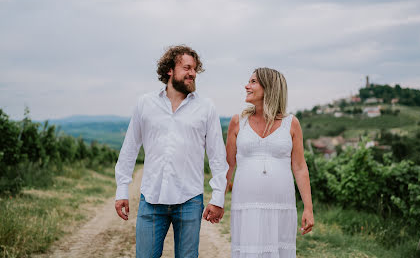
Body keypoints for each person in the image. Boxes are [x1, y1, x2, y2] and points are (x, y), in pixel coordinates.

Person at [114, 45, 228, 258]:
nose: (192, 73)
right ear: (169, 70)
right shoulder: (145, 104)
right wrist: (122, 190)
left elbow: (217, 157)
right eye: (187, 68)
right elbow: (129, 149)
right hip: (151, 199)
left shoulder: (206, 108)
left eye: (195, 69)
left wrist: (218, 197)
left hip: (190, 200)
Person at [226, 67, 314, 258]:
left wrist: (308, 207)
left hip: (282, 206)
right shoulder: (237, 122)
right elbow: (228, 166)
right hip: (246, 206)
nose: (247, 86)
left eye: (253, 82)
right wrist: (217, 201)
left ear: (270, 88)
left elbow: (299, 167)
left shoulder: (291, 123)